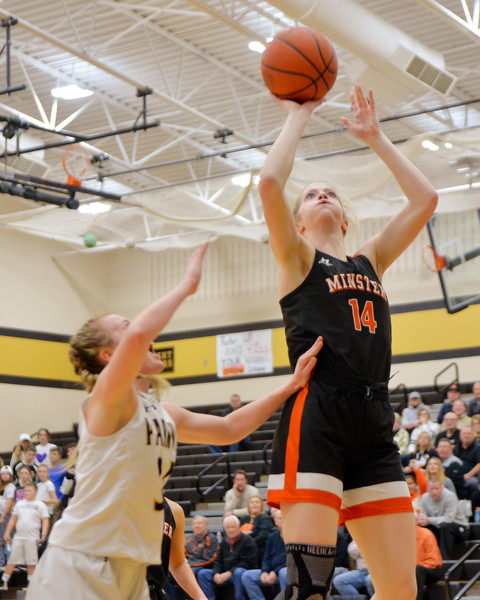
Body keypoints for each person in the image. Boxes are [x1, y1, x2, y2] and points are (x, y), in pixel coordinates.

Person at [25, 243, 322, 600]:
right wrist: (186, 285)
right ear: (108, 355)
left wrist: (290, 385)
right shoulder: (105, 402)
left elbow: (230, 429)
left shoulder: (160, 411)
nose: (144, 333)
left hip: (132, 569)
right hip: (80, 561)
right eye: (127, 327)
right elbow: (139, 335)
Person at [259, 82, 437, 600]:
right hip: (319, 416)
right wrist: (300, 114)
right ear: (297, 223)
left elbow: (426, 199)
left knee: (401, 588)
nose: (322, 195)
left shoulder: (370, 259)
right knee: (309, 589)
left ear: (345, 214)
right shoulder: (297, 259)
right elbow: (269, 181)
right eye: (311, 194)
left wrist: (375, 136)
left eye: (330, 192)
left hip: (374, 422)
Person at [147, 498, 208, 600]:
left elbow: (178, 565)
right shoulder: (119, 501)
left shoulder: (174, 510)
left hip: (153, 592)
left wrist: (201, 597)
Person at [1, 482, 49, 591]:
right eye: (25, 490)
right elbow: (13, 519)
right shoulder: (19, 503)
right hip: (18, 536)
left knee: (31, 561)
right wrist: (7, 532)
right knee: (12, 559)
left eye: (29, 490)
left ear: (35, 492)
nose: (27, 493)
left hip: (32, 537)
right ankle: (4, 581)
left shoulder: (40, 504)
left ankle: (30, 584)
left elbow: (45, 520)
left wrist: (44, 533)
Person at [197, 515, 257, 600]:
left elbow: (247, 563)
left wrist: (229, 573)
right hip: (224, 573)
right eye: (228, 528)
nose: (230, 530)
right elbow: (218, 561)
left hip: (239, 573)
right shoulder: (224, 541)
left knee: (238, 572)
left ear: (239, 527)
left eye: (233, 527)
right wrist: (216, 573)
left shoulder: (247, 541)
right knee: (203, 574)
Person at [241, 508, 287, 600]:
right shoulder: (272, 537)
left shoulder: (293, 537)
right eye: (279, 518)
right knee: (247, 576)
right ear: (275, 520)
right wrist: (265, 571)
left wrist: (275, 572)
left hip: (284, 571)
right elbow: (266, 557)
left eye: (284, 518)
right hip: (271, 572)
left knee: (284, 573)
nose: (282, 520)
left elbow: (291, 560)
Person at [418, 479, 469, 559]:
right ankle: (423, 557)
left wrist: (429, 520)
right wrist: (422, 519)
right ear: (428, 489)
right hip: (438, 526)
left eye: (436, 488)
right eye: (431, 489)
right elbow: (423, 515)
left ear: (441, 488)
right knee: (422, 527)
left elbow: (449, 519)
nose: (434, 491)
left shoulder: (450, 496)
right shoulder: (424, 497)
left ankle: (444, 560)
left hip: (459, 527)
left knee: (446, 527)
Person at [239, 496, 274, 564]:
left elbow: (263, 536)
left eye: (257, 502)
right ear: (248, 506)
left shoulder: (265, 519)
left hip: (259, 550)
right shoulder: (244, 519)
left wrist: (249, 544)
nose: (254, 504)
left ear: (261, 506)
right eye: (252, 502)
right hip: (243, 550)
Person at [414, 520, 442, 600]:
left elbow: (433, 561)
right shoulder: (399, 538)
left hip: (430, 570)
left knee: (418, 570)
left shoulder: (426, 534)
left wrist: (413, 571)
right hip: (411, 572)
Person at [453, 426, 480, 497]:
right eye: (464, 433)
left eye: (469, 433)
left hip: (471, 477)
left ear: (473, 436)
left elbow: (479, 465)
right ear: (460, 436)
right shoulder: (456, 448)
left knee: (473, 482)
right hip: (457, 476)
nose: (466, 435)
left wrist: (468, 475)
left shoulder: (478, 448)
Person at [0, 466, 15, 567]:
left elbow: (9, 502)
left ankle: (9, 562)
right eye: (3, 474)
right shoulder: (1, 486)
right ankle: (1, 562)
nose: (5, 476)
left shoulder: (11, 487)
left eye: (7, 474)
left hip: (5, 515)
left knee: (6, 539)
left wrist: (3, 516)